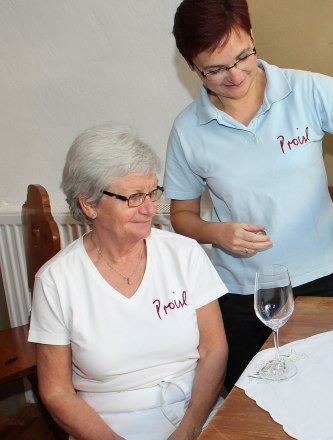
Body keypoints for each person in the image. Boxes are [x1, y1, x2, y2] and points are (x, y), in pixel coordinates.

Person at [165, 0, 333, 390]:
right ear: (191, 66)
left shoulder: (306, 90)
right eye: (214, 69)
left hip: (326, 282)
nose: (234, 76)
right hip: (244, 296)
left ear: (252, 37)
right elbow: (181, 215)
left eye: (242, 57)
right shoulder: (187, 130)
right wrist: (216, 234)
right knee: (254, 406)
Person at [28, 124, 228, 439]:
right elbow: (56, 392)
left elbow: (215, 349)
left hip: (197, 410)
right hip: (107, 425)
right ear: (89, 204)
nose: (150, 208)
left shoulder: (184, 254)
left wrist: (189, 428)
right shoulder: (57, 280)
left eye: (152, 192)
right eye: (134, 197)